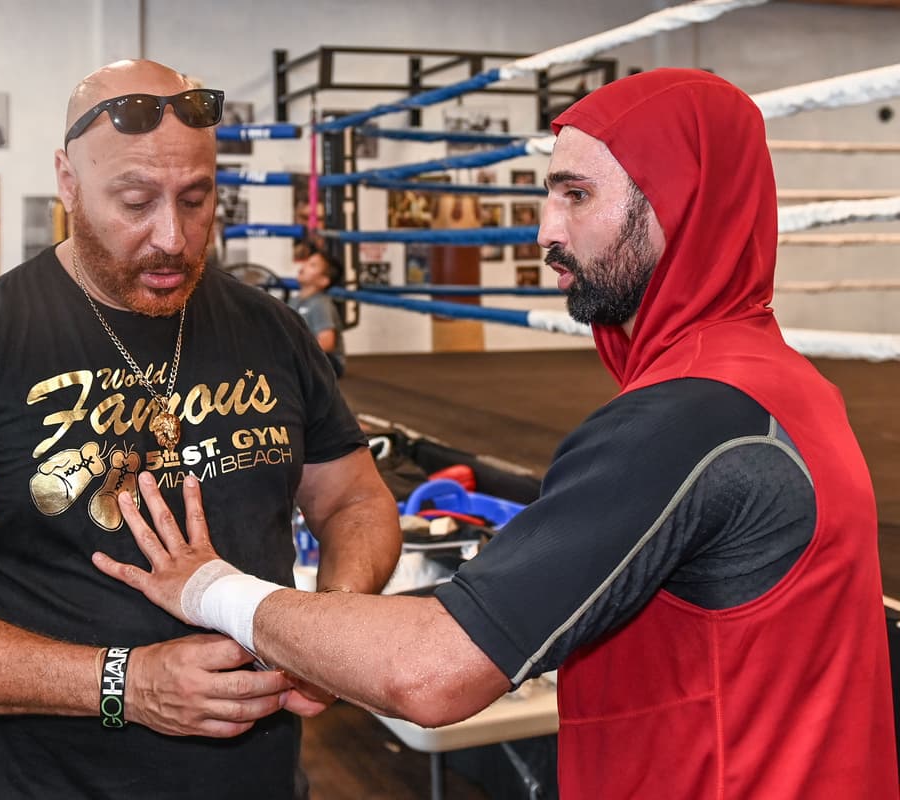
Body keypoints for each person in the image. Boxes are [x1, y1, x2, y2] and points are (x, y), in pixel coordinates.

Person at [96, 68, 899, 798]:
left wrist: (210, 587)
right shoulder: (783, 387)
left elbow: (430, 673)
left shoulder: (692, 417)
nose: (544, 232)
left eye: (576, 195)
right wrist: (319, 640)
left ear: (678, 200)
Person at [0, 58, 401, 799]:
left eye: (197, 199)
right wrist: (126, 684)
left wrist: (330, 625)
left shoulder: (271, 331)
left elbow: (354, 503)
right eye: (136, 201)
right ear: (68, 183)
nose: (171, 237)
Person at [288, 243, 345, 377]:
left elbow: (327, 342)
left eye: (312, 265)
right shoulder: (294, 301)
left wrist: (295, 353)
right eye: (307, 262)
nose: (305, 266)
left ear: (323, 280)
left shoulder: (320, 304)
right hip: (308, 357)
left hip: (329, 362)